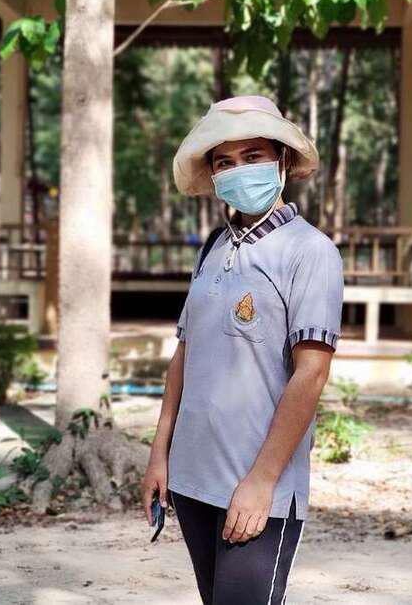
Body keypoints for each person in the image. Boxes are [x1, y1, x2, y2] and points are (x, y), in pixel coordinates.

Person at [141, 95, 345, 604]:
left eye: (252, 156)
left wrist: (262, 481)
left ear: (282, 160)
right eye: (224, 162)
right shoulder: (212, 248)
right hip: (192, 480)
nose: (238, 170)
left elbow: (310, 375)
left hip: (257, 488)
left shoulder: (311, 251)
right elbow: (183, 356)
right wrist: (160, 454)